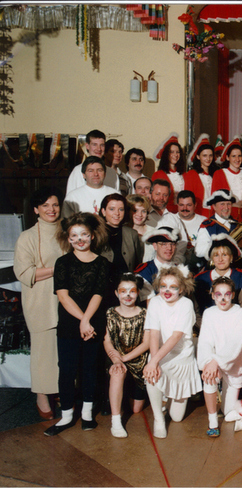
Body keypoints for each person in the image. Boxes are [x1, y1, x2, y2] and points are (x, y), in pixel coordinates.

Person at [44, 212, 110, 436]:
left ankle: (88, 415)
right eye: (74, 235)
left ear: (92, 236)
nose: (80, 239)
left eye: (84, 234)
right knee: (67, 370)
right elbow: (63, 297)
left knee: (90, 368)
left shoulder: (102, 263)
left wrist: (87, 321)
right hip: (69, 324)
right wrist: (82, 321)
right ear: (68, 239)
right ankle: (66, 416)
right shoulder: (62, 262)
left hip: (92, 323)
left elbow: (98, 294)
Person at [14, 187, 64, 419]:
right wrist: (59, 269)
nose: (51, 210)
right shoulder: (27, 237)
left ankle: (60, 390)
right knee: (44, 352)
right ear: (36, 209)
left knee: (64, 351)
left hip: (67, 301)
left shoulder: (68, 232)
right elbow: (24, 272)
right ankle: (42, 395)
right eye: (45, 205)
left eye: (55, 205)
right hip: (41, 301)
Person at [143, 266, 202, 438]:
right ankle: (158, 418)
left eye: (173, 287)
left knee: (176, 417)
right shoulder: (155, 302)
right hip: (161, 353)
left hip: (181, 356)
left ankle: (168, 398)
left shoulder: (186, 304)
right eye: (163, 286)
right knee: (151, 373)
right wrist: (153, 361)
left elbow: (176, 336)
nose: (167, 291)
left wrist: (155, 360)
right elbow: (154, 333)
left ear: (181, 289)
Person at [198, 276, 242, 437]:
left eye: (227, 294)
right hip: (214, 362)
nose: (222, 299)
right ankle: (212, 420)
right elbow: (205, 341)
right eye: (218, 294)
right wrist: (208, 362)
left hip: (234, 364)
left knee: (228, 413)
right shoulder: (209, 313)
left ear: (233, 295)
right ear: (213, 295)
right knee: (209, 375)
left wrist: (216, 361)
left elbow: (235, 344)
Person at [104, 273, 150, 438]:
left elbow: (146, 343)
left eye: (132, 291)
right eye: (123, 291)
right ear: (116, 293)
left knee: (136, 409)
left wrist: (125, 358)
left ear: (138, 293)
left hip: (138, 361)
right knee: (117, 373)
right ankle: (116, 421)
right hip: (117, 359)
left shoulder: (145, 314)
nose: (128, 295)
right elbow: (107, 341)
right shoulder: (111, 313)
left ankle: (124, 396)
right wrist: (117, 360)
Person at [194, 233, 242, 313]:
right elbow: (196, 310)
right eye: (216, 255)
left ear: (231, 257)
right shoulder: (200, 279)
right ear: (212, 258)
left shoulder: (240, 277)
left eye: (224, 255)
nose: (220, 259)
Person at [100, 194, 144, 284]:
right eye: (112, 209)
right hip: (103, 286)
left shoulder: (132, 234)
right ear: (103, 211)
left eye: (121, 209)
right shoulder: (95, 233)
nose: (117, 213)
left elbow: (137, 264)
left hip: (126, 286)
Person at [136, 226, 180, 301]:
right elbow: (148, 303)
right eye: (164, 244)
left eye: (172, 244)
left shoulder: (180, 269)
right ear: (155, 246)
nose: (169, 248)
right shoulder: (145, 272)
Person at [194, 190, 239, 261]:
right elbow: (199, 251)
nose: (226, 208)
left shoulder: (236, 224)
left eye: (228, 204)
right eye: (222, 204)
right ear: (214, 206)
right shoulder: (207, 226)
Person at [212, 138, 242, 222]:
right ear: (227, 157)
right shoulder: (219, 173)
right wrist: (233, 204)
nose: (237, 159)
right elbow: (215, 198)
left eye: (239, 156)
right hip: (226, 216)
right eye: (233, 156)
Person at [183, 134, 218, 217]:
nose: (208, 159)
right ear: (198, 157)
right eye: (204, 155)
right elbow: (188, 197)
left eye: (210, 155)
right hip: (198, 214)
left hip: (215, 214)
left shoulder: (216, 174)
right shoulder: (192, 174)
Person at [152, 133, 186, 213]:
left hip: (183, 212)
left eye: (177, 152)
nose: (175, 155)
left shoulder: (184, 174)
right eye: (172, 152)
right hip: (166, 213)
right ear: (166, 154)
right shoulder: (158, 175)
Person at [66, 129, 106, 194]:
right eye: (94, 145)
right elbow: (70, 197)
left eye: (102, 145)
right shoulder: (77, 171)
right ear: (87, 146)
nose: (99, 149)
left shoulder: (112, 173)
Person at [126, 194, 155, 262]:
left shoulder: (153, 232)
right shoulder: (122, 231)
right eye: (135, 210)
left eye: (143, 211)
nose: (139, 215)